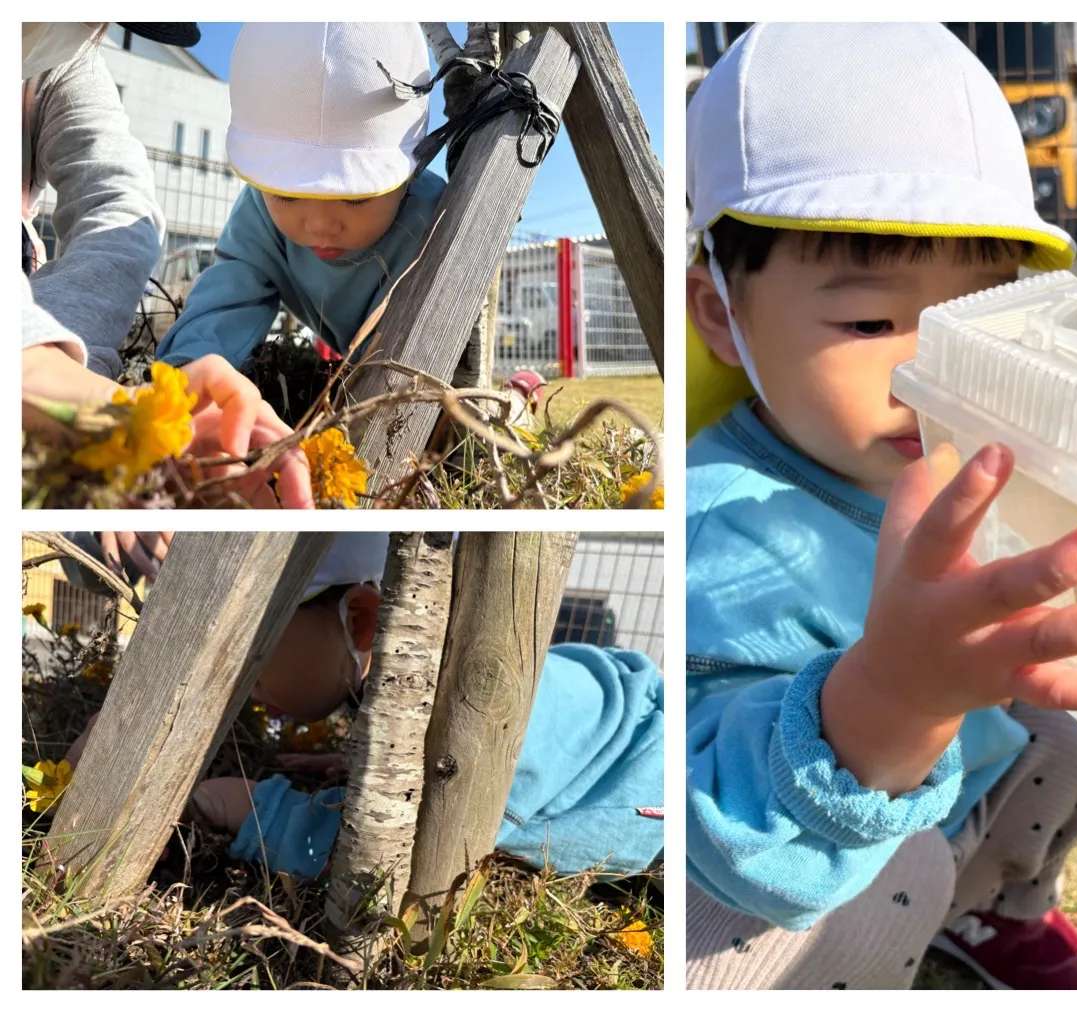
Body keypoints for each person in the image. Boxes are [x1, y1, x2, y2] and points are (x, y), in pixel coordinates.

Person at [683, 23, 1077, 990]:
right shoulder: (730, 535)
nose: (934, 372)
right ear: (719, 317)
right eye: (870, 321)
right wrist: (896, 695)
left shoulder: (959, 456)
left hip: (959, 791)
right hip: (785, 852)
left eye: (976, 315)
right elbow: (720, 829)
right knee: (897, 876)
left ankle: (989, 915)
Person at [65, 533, 664, 883]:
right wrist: (361, 763)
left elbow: (412, 852)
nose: (234, 686)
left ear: (362, 617)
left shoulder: (475, 707)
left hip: (657, 781)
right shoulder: (412, 675)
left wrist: (250, 807)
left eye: (246, 655)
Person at [21, 23, 310, 508]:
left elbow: (120, 202)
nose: (94, 27)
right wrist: (39, 370)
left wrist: (62, 362)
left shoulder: (62, 58)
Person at [156, 22, 446, 371]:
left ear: (411, 172)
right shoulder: (258, 215)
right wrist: (195, 365)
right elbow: (229, 296)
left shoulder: (435, 220)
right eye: (286, 194)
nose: (320, 224)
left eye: (356, 197)